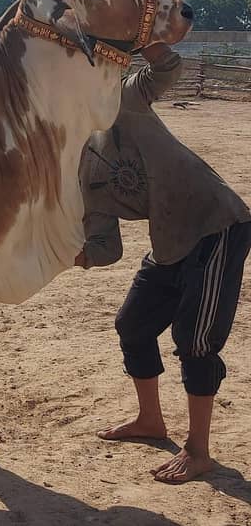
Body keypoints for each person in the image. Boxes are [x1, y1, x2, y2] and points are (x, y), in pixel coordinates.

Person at [76, 43, 251, 483]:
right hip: (170, 242)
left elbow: (168, 67)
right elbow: (106, 247)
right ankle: (150, 420)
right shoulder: (80, 178)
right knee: (132, 325)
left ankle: (199, 450)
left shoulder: (124, 103)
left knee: (194, 340)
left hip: (217, 225)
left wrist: (145, 41)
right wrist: (66, 256)